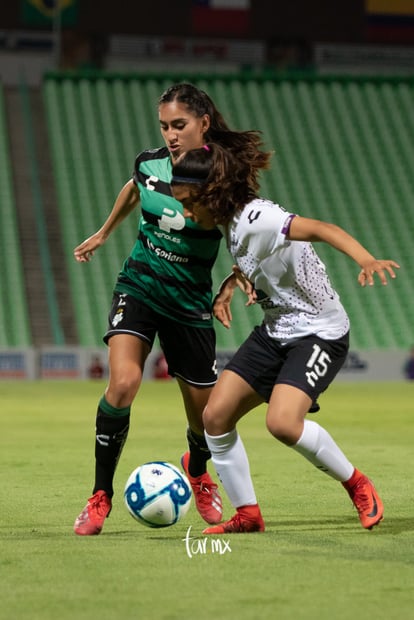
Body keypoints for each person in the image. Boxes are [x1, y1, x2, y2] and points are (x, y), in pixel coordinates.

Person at [171, 143, 400, 534]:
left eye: (191, 203)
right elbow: (258, 259)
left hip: (319, 332)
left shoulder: (259, 216)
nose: (188, 214)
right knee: (214, 417)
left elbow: (321, 229)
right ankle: (247, 515)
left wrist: (366, 260)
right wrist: (231, 283)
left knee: (282, 423)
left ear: (213, 193)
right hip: (276, 331)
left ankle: (358, 484)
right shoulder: (232, 224)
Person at [72, 83, 270, 536]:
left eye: (179, 125)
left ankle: (197, 471)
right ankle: (100, 495)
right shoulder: (149, 163)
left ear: (204, 122)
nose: (170, 135)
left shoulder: (225, 177)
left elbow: (250, 233)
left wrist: (238, 278)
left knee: (203, 416)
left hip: (189, 303)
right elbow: (135, 188)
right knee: (122, 383)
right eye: (164, 126)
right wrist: (104, 232)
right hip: (139, 286)